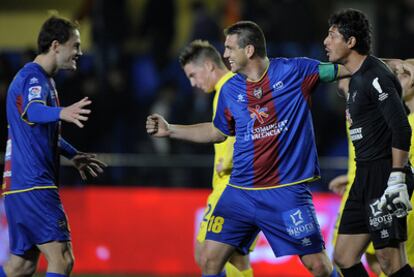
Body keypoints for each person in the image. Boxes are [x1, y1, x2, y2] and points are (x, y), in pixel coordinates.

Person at [147, 20, 349, 277]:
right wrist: (170, 129)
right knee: (209, 259)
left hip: (284, 191)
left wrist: (386, 67)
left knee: (318, 266)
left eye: (230, 48)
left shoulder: (294, 70)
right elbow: (217, 132)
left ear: (249, 50)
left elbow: (342, 70)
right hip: (240, 192)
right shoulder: (231, 89)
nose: (226, 54)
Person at [0, 16, 106, 277]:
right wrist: (61, 112)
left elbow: (38, 132)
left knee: (20, 265)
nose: (80, 52)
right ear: (57, 45)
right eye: (76, 45)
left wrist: (74, 154)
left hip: (18, 187)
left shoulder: (40, 79)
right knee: (63, 258)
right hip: (35, 184)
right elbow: (34, 112)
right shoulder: (34, 78)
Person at [324, 9, 414, 276]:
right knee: (344, 256)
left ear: (350, 42)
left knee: (389, 261)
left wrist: (397, 177)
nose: (325, 42)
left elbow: (400, 127)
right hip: (363, 176)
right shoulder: (360, 77)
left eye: (332, 36)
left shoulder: (377, 77)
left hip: (384, 175)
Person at [178, 40, 254, 277]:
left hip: (229, 186)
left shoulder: (229, 87)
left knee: (205, 255)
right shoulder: (231, 87)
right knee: (238, 260)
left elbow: (249, 125)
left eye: (193, 75)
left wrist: (231, 159)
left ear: (209, 66)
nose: (193, 83)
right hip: (243, 187)